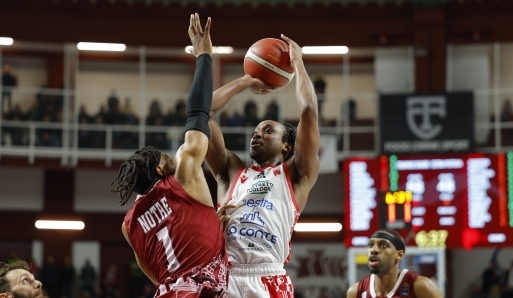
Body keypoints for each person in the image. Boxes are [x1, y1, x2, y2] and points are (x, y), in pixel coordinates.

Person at [111, 13, 228, 298]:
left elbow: (157, 275)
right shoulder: (185, 173)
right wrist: (205, 57)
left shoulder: (129, 225)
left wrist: (208, 223)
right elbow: (198, 112)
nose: (172, 160)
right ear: (161, 170)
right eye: (166, 158)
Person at [208, 34, 320, 298]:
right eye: (256, 131)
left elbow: (309, 111)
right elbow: (202, 113)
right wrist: (247, 80)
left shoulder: (296, 175)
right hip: (226, 274)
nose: (257, 134)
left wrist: (298, 63)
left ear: (287, 147)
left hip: (269, 277)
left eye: (268, 130)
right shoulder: (232, 171)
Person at [346, 229, 444, 298]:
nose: (374, 250)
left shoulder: (421, 286)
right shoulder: (355, 292)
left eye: (383, 245)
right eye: (370, 245)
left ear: (399, 254)